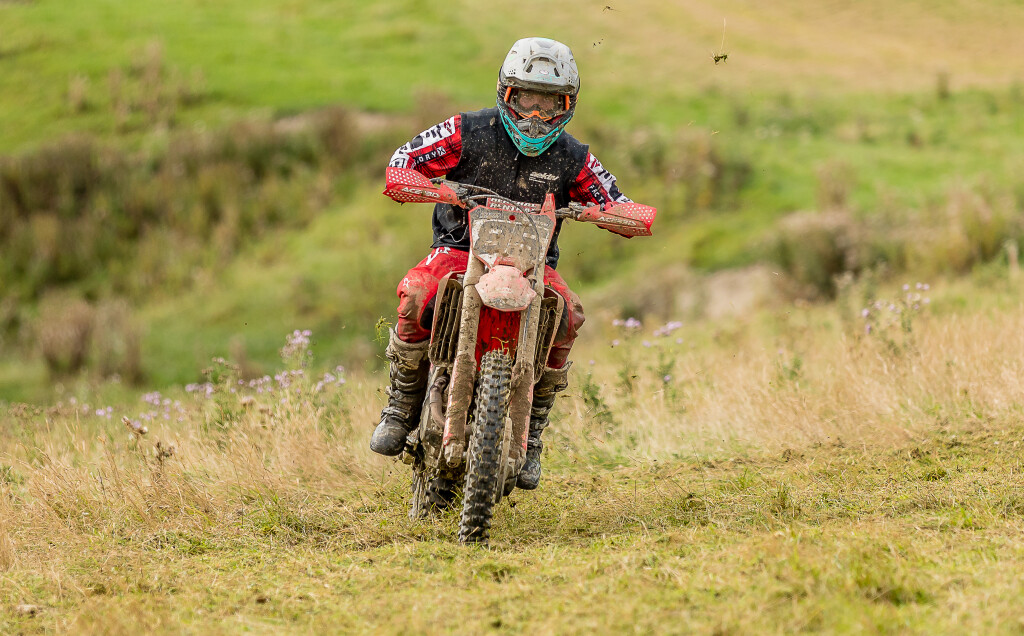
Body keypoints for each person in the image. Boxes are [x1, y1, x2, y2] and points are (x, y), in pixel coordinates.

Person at [370, 37, 634, 490]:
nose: (536, 115)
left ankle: (532, 433)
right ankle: (401, 403)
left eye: (550, 104)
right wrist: (435, 188)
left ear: (568, 105)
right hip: (458, 248)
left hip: (532, 265)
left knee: (569, 315)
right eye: (526, 100)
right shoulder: (466, 130)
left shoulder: (575, 156)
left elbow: (620, 202)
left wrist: (610, 214)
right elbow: (402, 161)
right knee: (415, 294)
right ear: (506, 93)